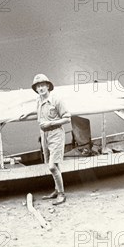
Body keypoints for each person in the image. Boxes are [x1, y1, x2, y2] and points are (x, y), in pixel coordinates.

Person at [33, 73, 71, 206]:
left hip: (56, 134)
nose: (41, 88)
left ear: (48, 86)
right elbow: (37, 113)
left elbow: (67, 118)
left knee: (52, 166)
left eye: (43, 85)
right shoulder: (38, 101)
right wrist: (24, 115)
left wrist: (50, 124)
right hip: (44, 136)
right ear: (36, 89)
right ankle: (56, 190)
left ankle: (61, 194)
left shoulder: (56, 100)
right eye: (38, 86)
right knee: (52, 163)